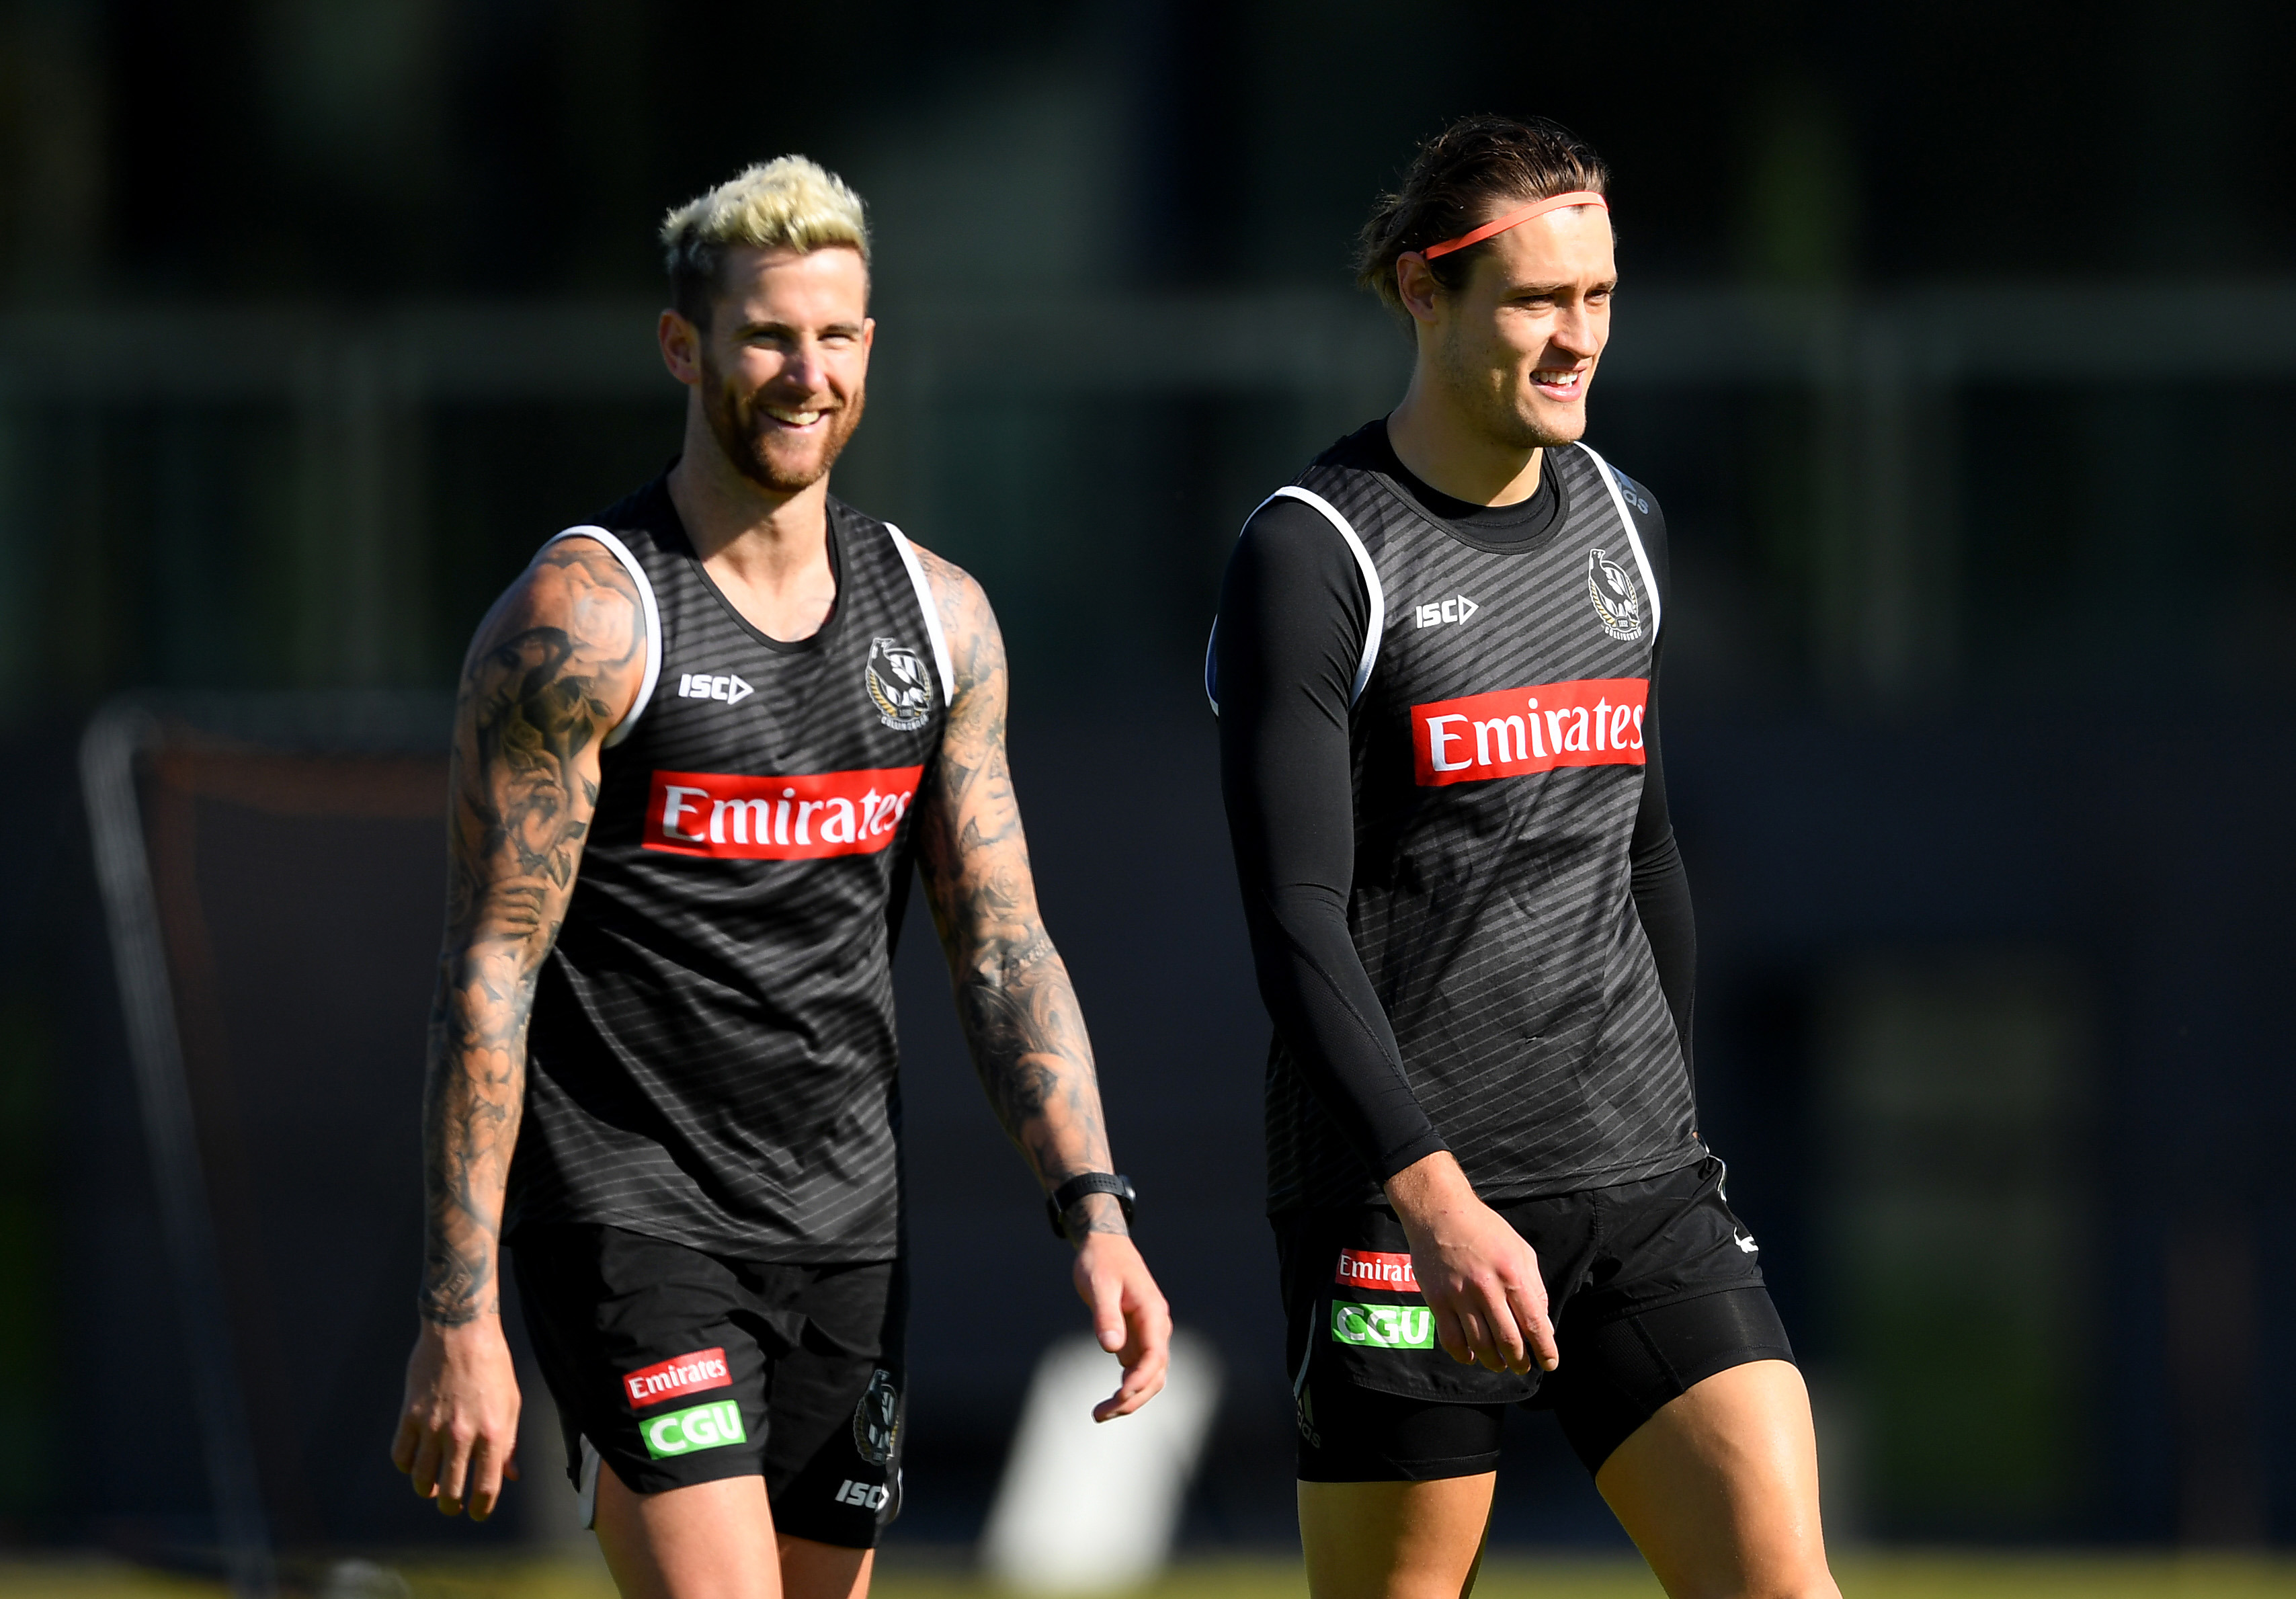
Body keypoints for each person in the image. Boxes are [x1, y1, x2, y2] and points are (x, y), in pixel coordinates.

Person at [389, 155, 1171, 1599]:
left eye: (837, 334)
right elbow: (486, 971)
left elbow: (1002, 948)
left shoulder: (940, 622)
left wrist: (1096, 1210)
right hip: (632, 1220)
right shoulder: (586, 617)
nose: (805, 371)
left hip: (845, 1235)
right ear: (684, 346)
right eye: (766, 334)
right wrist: (461, 1310)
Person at [1208, 116, 1839, 1599]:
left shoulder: (1628, 521)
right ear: (1426, 295)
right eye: (1536, 300)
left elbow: (1647, 845)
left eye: (1600, 297)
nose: (1577, 338)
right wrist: (1427, 1193)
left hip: (1642, 1183)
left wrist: (1674, 1127)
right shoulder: (1315, 551)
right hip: (1403, 1200)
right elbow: (1295, 918)